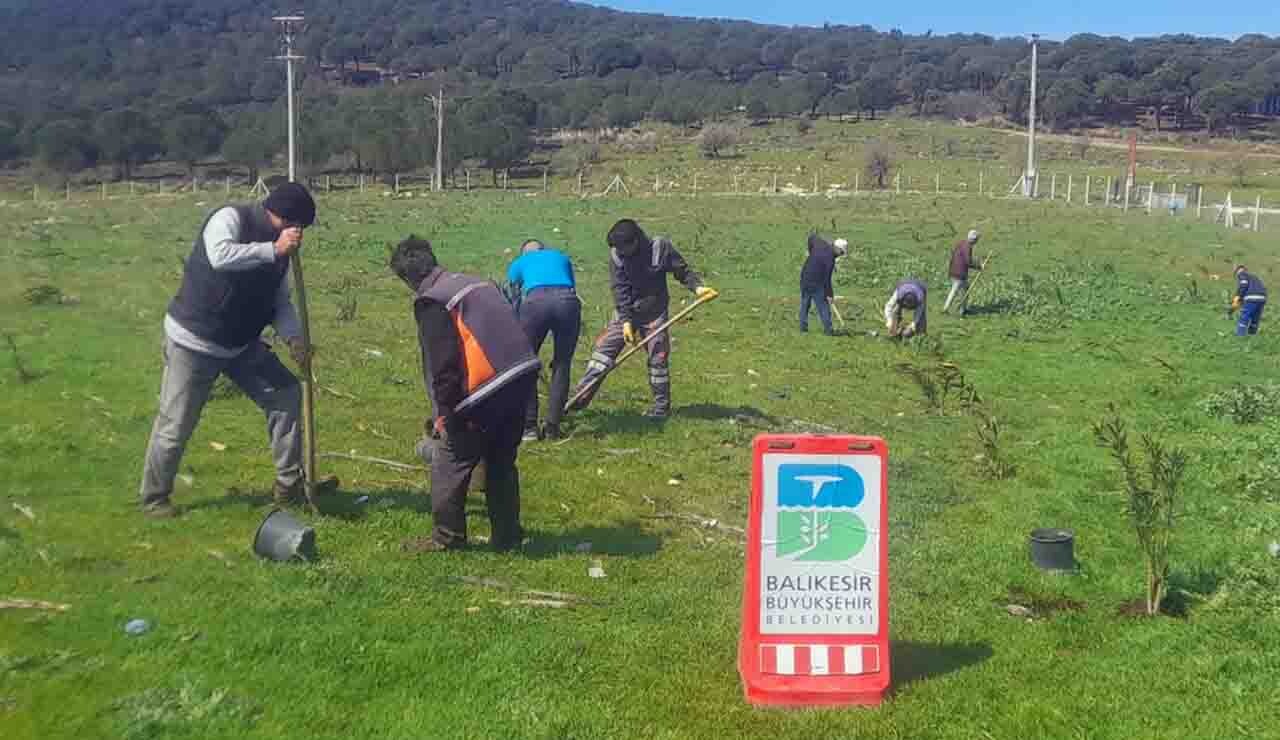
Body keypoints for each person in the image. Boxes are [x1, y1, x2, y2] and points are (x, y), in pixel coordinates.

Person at [138, 183, 336, 518]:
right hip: (194, 341)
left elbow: (280, 301)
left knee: (286, 395)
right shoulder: (230, 218)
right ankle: (155, 498)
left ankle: (289, 486)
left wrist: (294, 338)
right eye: (297, 224)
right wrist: (273, 249)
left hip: (241, 344)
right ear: (284, 217)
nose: (299, 232)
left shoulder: (282, 251)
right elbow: (220, 256)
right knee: (177, 422)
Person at [390, 236, 540, 552]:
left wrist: (446, 414)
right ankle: (508, 536)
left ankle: (447, 538)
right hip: (522, 375)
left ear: (407, 278)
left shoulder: (432, 301)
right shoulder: (477, 283)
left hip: (487, 388)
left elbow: (444, 365)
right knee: (501, 460)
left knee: (450, 460)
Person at [568, 219, 717, 419]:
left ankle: (660, 410)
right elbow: (619, 290)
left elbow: (682, 270)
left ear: (636, 241)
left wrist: (698, 287)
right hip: (626, 312)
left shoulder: (659, 248)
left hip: (654, 313)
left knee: (658, 361)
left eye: (623, 248)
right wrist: (627, 321)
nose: (619, 252)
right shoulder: (617, 256)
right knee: (602, 355)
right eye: (616, 248)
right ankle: (576, 401)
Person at [507, 239, 581, 441]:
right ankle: (552, 428)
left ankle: (529, 427)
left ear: (524, 253)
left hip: (535, 304)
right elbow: (571, 285)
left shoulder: (519, 263)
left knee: (527, 364)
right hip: (568, 302)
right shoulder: (561, 257)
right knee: (562, 363)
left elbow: (513, 296)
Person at [799, 234, 847, 335]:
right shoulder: (830, 260)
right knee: (823, 306)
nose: (841, 255)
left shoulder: (820, 243)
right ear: (837, 249)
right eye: (841, 253)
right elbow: (827, 280)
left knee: (805, 303)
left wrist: (811, 253)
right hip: (816, 283)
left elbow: (811, 237)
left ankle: (803, 328)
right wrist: (830, 295)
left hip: (804, 277)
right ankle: (828, 330)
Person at [943, 229, 982, 315]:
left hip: (953, 271)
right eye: (976, 240)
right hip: (959, 273)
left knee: (962, 290)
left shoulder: (961, 243)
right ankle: (948, 309)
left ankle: (962, 309)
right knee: (956, 290)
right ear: (974, 240)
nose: (977, 241)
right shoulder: (967, 246)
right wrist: (978, 266)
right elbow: (968, 261)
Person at [1232, 264, 1267, 336]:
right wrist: (1241, 300)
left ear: (1238, 271)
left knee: (1244, 317)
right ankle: (1252, 334)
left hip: (1252, 297)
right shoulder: (1254, 277)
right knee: (1255, 317)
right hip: (1262, 297)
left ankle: (1240, 335)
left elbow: (1243, 285)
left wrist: (1237, 297)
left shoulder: (1242, 274)